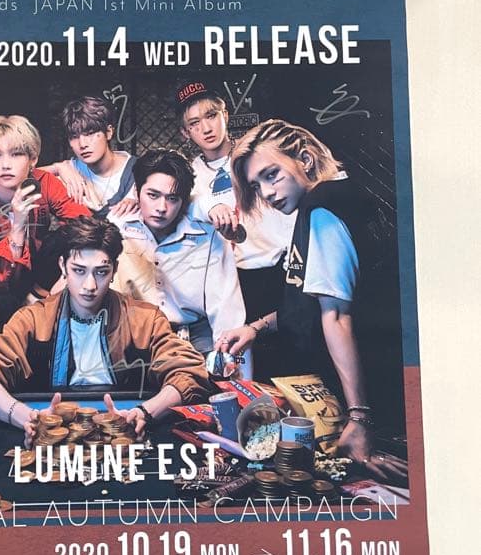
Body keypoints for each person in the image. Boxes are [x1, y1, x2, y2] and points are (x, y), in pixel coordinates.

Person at [215, 118, 408, 481]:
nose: (266, 192)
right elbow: (310, 302)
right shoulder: (332, 197)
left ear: (304, 159)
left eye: (271, 174)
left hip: (368, 403)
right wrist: (256, 328)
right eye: (256, 185)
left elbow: (336, 316)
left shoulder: (322, 209)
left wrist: (360, 419)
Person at [0, 217, 209, 446]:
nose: (90, 286)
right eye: (79, 270)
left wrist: (145, 412)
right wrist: (27, 417)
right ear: (63, 266)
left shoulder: (145, 319)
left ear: (114, 270)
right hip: (55, 436)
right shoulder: (33, 319)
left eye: (101, 272)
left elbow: (189, 372)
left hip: (124, 435)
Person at [108, 150, 250, 373]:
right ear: (136, 192)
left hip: (195, 336)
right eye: (152, 195)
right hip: (137, 336)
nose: (161, 208)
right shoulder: (118, 228)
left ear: (184, 201)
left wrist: (229, 369)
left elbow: (226, 308)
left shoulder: (207, 234)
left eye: (172, 198)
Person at [177, 81, 296, 324]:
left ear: (225, 115)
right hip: (232, 280)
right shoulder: (190, 175)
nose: (206, 128)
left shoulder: (256, 155)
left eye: (211, 115)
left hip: (279, 266)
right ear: (185, 132)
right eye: (194, 123)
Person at [0, 114, 90, 322]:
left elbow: (85, 223)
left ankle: (39, 297)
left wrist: (65, 275)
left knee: (70, 234)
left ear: (33, 159)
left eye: (16, 154)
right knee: (3, 302)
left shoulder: (44, 182)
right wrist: (18, 224)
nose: (5, 165)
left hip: (36, 276)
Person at [42, 95, 138, 217]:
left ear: (108, 132)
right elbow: (24, 178)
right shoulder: (71, 169)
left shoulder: (137, 169)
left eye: (90, 133)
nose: (82, 144)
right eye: (74, 137)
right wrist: (58, 167)